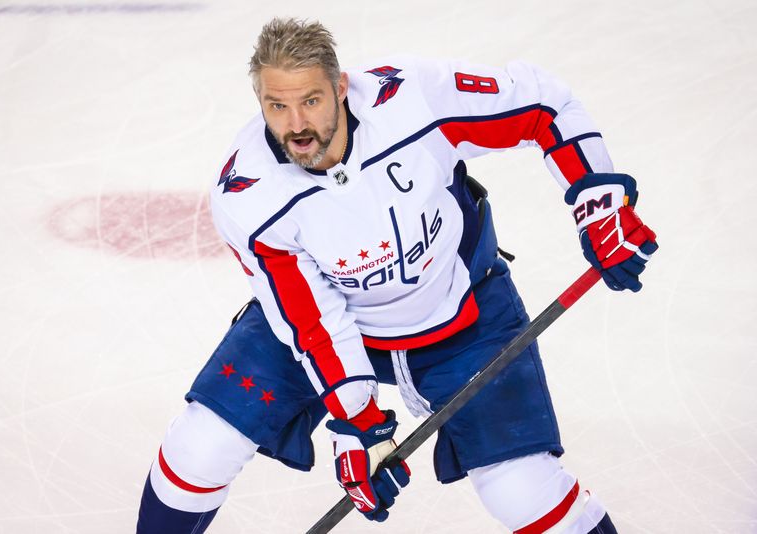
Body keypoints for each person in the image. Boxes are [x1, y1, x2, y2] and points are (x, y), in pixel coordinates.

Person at [136, 17, 657, 534]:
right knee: (200, 446)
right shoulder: (248, 193)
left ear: (341, 87)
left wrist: (598, 200)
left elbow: (546, 106)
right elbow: (313, 322)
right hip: (329, 328)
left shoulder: (412, 101)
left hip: (460, 313)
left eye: (311, 100)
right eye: (277, 106)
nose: (296, 125)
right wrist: (357, 420)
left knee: (520, 490)